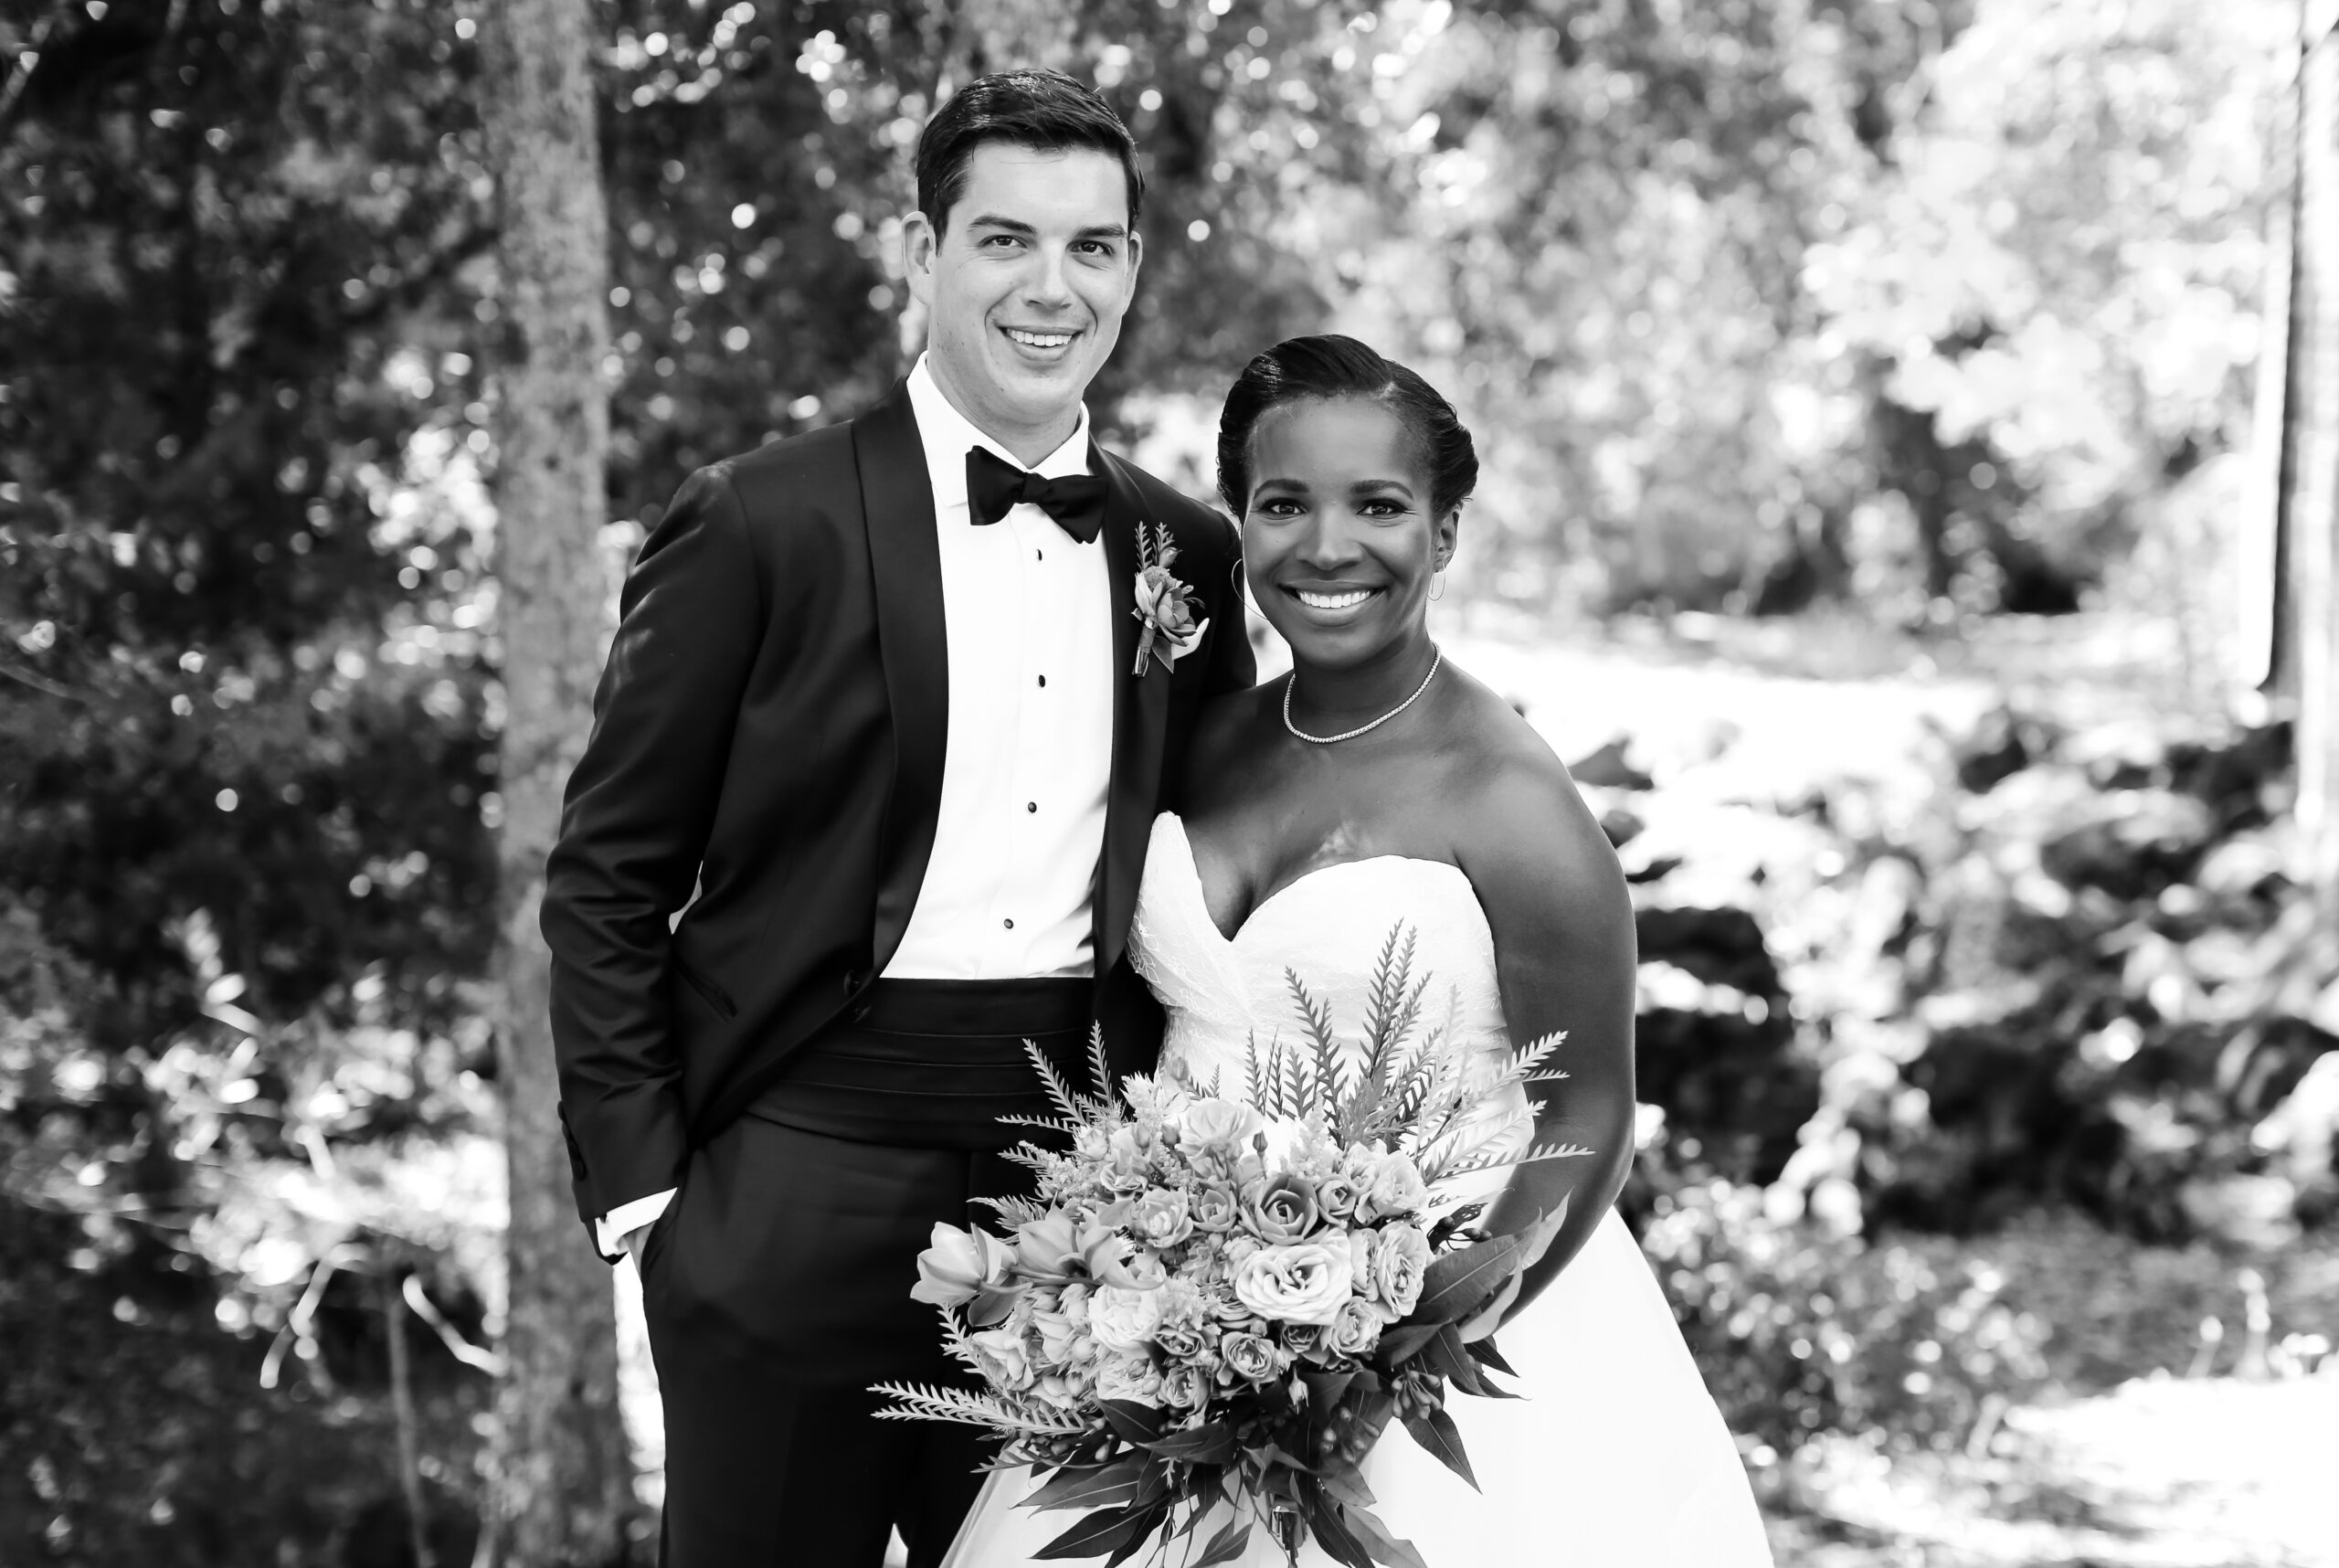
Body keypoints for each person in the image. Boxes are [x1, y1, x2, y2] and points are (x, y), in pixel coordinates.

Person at [538, 71, 1255, 1567]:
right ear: (922, 256)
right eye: (1004, 240)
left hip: (1078, 1195)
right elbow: (608, 874)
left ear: (1130, 268)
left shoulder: (1183, 550)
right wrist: (654, 1197)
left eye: (1094, 247)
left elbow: (1217, 857)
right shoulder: (757, 519)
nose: (1052, 287)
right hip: (789, 1163)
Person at [941, 335, 1773, 1566]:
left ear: (1443, 532)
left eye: (1378, 506)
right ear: (1240, 523)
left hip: (1459, 1337)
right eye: (1284, 505)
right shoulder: (1200, 743)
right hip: (1168, 1323)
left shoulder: (1512, 800)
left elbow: (1589, 1111)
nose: (1327, 547)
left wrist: (1410, 1354)